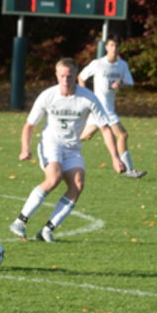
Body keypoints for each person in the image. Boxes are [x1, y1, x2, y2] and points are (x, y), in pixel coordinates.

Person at [10, 57, 125, 243]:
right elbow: (29, 125)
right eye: (62, 76)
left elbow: (105, 128)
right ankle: (20, 221)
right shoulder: (48, 96)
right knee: (53, 178)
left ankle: (47, 230)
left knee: (78, 184)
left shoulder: (87, 97)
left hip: (72, 148)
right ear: (56, 75)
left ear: (75, 76)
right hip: (51, 144)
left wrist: (115, 157)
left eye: (70, 76)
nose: (65, 80)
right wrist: (25, 149)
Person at [78, 34, 147, 178]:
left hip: (107, 107)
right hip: (102, 108)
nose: (114, 49)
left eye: (116, 46)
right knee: (122, 134)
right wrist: (85, 95)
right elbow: (81, 77)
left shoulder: (122, 65)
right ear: (106, 47)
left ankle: (59, 144)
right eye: (111, 45)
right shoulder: (98, 63)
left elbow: (130, 85)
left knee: (85, 136)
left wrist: (120, 85)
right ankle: (128, 170)